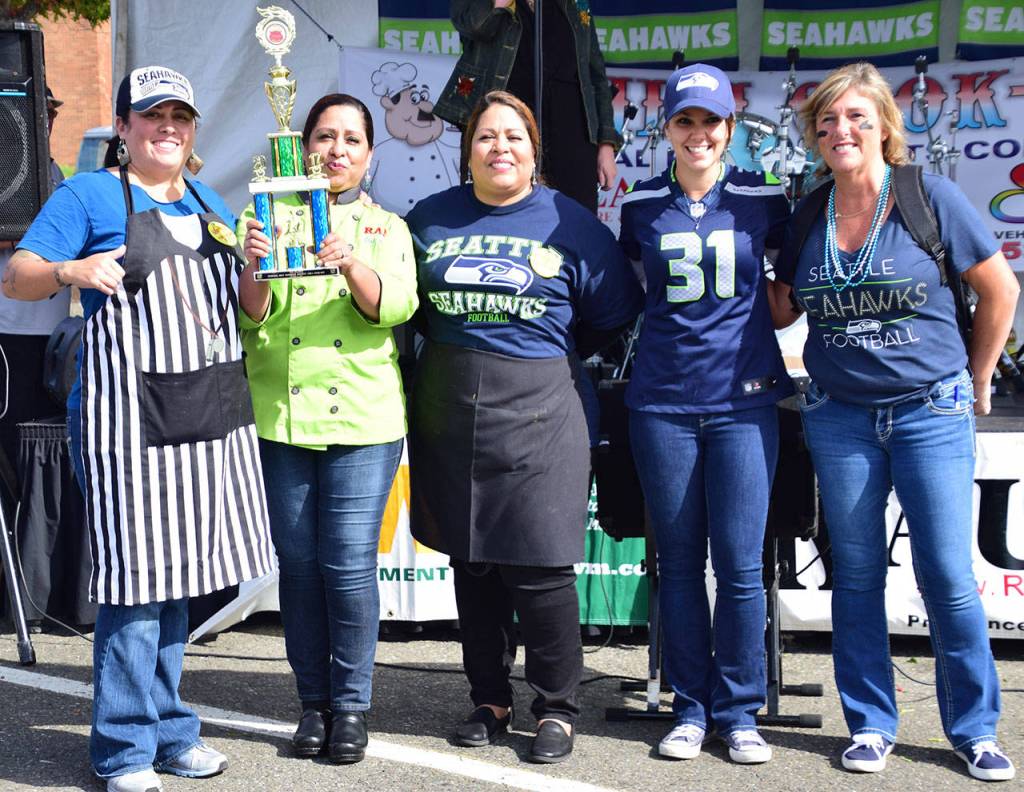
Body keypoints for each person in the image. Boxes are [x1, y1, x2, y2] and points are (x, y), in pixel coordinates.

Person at [2, 66, 274, 792]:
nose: (168, 128)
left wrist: (257, 269)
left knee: (179, 580)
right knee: (134, 584)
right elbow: (18, 274)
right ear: (123, 128)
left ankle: (171, 731)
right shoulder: (90, 195)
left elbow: (249, 310)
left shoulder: (211, 201)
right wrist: (71, 271)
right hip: (126, 425)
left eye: (179, 117)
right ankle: (123, 749)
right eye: (152, 116)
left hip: (208, 418)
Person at [769, 62, 1018, 782]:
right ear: (815, 136)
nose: (840, 130)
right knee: (855, 576)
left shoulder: (926, 196)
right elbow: (782, 310)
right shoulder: (809, 213)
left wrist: (978, 377)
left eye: (856, 116)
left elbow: (1000, 289)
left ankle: (974, 729)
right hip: (839, 415)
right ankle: (872, 725)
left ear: (884, 125)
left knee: (947, 575)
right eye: (827, 120)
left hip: (928, 411)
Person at [405, 89, 642, 764]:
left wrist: (539, 352)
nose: (499, 148)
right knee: (473, 564)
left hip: (544, 409)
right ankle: (489, 699)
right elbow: (405, 307)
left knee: (540, 569)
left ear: (534, 152)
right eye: (486, 136)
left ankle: (557, 708)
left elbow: (612, 314)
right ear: (467, 150)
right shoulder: (429, 219)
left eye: (514, 137)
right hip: (451, 412)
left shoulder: (571, 223)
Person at [618, 63, 791, 764]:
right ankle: (690, 707)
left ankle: (740, 711)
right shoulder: (639, 204)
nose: (698, 133)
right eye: (684, 120)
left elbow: (791, 286)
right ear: (667, 127)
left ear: (730, 126)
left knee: (742, 567)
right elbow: (628, 292)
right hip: (662, 402)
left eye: (710, 121)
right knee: (681, 565)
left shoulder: (765, 195)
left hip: (743, 402)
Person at [238, 93, 418, 764]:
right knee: (299, 567)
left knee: (346, 566)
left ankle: (351, 707)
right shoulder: (264, 217)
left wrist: (349, 261)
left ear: (369, 154)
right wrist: (253, 263)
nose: (336, 149)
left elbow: (394, 307)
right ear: (301, 145)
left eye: (351, 139)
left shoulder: (386, 228)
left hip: (364, 419)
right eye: (324, 136)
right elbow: (252, 315)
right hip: (282, 417)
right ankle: (310, 703)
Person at [433, 0, 619, 213]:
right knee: (497, 211)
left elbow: (595, 73)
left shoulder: (575, 3)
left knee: (574, 217)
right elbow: (474, 26)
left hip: (572, 131)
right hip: (506, 126)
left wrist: (605, 144)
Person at [0, 85, 68, 471]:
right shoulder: (6, 167)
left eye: (52, 113)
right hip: (12, 329)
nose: (48, 120)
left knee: (46, 430)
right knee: (13, 427)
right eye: (42, 112)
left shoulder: (54, 170)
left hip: (55, 329)